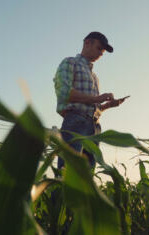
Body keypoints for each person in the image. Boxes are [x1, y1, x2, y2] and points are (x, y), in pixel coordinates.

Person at [53, 31, 128, 169]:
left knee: (87, 178)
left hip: (94, 127)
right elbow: (64, 93)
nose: (101, 54)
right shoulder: (70, 62)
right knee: (69, 172)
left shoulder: (94, 77)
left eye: (103, 51)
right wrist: (97, 98)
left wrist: (108, 105)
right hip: (75, 122)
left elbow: (94, 106)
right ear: (87, 43)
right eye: (99, 48)